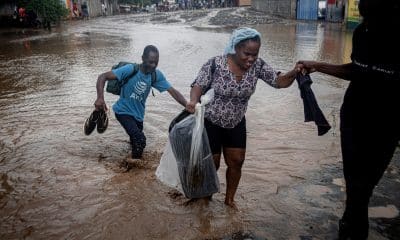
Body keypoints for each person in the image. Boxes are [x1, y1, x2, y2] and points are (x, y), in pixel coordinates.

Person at [298, 0, 400, 239]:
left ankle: (351, 227)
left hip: (387, 123)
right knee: (354, 184)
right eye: (365, 19)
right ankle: (351, 228)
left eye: (372, 20)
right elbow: (357, 70)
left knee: (363, 187)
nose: (367, 24)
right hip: (354, 116)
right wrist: (318, 66)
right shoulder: (362, 33)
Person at [186, 27, 302, 208]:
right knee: (212, 164)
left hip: (236, 122)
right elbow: (198, 85)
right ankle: (205, 197)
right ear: (235, 47)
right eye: (247, 54)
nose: (251, 59)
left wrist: (295, 71)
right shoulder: (215, 64)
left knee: (237, 162)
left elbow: (279, 82)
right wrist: (193, 101)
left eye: (254, 54)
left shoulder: (258, 66)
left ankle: (229, 200)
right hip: (211, 122)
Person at [94, 45, 187, 162]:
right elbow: (102, 77)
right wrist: (100, 98)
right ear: (143, 58)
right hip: (123, 112)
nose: (153, 66)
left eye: (156, 63)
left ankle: (127, 163)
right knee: (140, 140)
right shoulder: (130, 69)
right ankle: (131, 171)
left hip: (138, 116)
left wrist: (187, 105)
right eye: (150, 62)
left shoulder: (155, 75)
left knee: (135, 143)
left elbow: (172, 91)